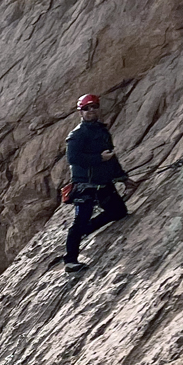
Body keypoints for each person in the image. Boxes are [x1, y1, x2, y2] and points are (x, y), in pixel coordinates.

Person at [63, 93, 130, 272]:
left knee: (119, 211)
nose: (91, 110)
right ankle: (70, 261)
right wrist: (99, 158)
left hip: (103, 182)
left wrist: (123, 178)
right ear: (81, 112)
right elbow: (73, 158)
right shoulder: (77, 135)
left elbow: (111, 158)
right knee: (79, 221)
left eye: (94, 107)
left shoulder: (102, 131)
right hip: (85, 185)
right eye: (86, 108)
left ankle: (88, 228)